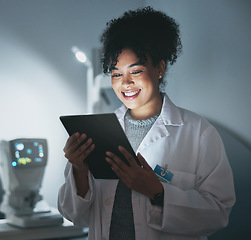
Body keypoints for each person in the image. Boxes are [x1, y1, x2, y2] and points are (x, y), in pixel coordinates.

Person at [57, 6, 235, 240]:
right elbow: (75, 216)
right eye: (116, 74)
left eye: (136, 71)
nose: (126, 83)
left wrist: (157, 191)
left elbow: (218, 213)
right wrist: (79, 170)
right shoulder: (98, 132)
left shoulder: (198, 133)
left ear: (159, 68)